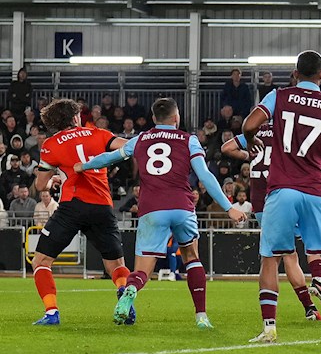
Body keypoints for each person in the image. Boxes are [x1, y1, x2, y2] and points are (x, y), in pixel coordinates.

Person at [76, 98, 245, 327]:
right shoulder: (189, 140)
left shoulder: (141, 139)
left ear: (154, 119)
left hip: (152, 208)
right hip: (182, 207)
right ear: (177, 118)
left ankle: (131, 290)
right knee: (191, 258)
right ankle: (201, 316)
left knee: (143, 269)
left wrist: (83, 166)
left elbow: (110, 157)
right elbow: (205, 176)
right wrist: (229, 207)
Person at [241, 50, 321, 343]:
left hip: (283, 190)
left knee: (270, 260)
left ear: (295, 73)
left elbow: (249, 125)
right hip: (317, 190)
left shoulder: (278, 96)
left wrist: (251, 142)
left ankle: (269, 329)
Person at [223, 84, 321, 320]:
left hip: (261, 200)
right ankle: (314, 295)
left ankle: (309, 302)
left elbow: (226, 147)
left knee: (281, 255)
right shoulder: (285, 131)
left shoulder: (256, 134)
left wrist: (247, 154)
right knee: (295, 252)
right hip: (283, 191)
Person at [29, 98, 133, 325]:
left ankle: (51, 313)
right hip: (102, 206)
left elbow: (40, 185)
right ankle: (125, 297)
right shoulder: (99, 134)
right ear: (76, 118)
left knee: (41, 262)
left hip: (72, 206)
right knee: (115, 264)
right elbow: (130, 146)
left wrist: (55, 178)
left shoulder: (51, 144)